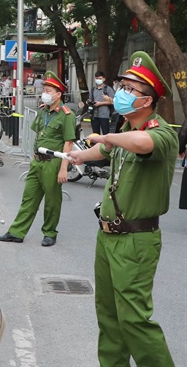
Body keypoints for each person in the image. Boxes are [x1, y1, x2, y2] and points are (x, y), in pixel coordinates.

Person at [67, 51, 178, 366]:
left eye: (130, 89)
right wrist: (79, 156)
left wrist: (112, 137)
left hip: (135, 241)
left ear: (147, 100)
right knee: (109, 318)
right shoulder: (127, 130)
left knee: (134, 320)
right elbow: (105, 150)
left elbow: (141, 144)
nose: (122, 93)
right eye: (122, 86)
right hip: (107, 237)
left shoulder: (161, 133)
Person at [0, 71, 75, 246]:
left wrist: (63, 168)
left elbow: (68, 143)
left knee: (52, 201)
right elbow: (38, 133)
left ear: (58, 95)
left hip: (53, 162)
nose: (45, 93)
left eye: (48, 91)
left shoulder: (66, 115)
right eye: (44, 90)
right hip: (37, 161)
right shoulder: (42, 110)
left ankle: (50, 233)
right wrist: (33, 154)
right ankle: (16, 232)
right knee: (29, 197)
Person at [89, 71, 115, 135]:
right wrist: (89, 101)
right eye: (97, 78)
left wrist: (100, 103)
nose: (98, 80)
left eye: (100, 78)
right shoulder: (93, 89)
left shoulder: (108, 89)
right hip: (94, 114)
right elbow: (90, 98)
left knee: (106, 133)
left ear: (104, 79)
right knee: (95, 134)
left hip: (104, 115)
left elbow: (113, 101)